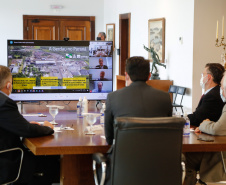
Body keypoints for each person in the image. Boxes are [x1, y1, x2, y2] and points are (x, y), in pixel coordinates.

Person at [0, 65, 59, 185]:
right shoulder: (4, 102)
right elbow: (27, 131)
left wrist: (24, 125)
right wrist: (48, 128)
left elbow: (10, 124)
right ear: (8, 85)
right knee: (53, 161)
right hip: (8, 161)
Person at [184, 72, 226, 185]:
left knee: (188, 157)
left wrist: (204, 124)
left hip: (221, 155)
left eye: (222, 88)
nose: (220, 91)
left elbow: (216, 129)